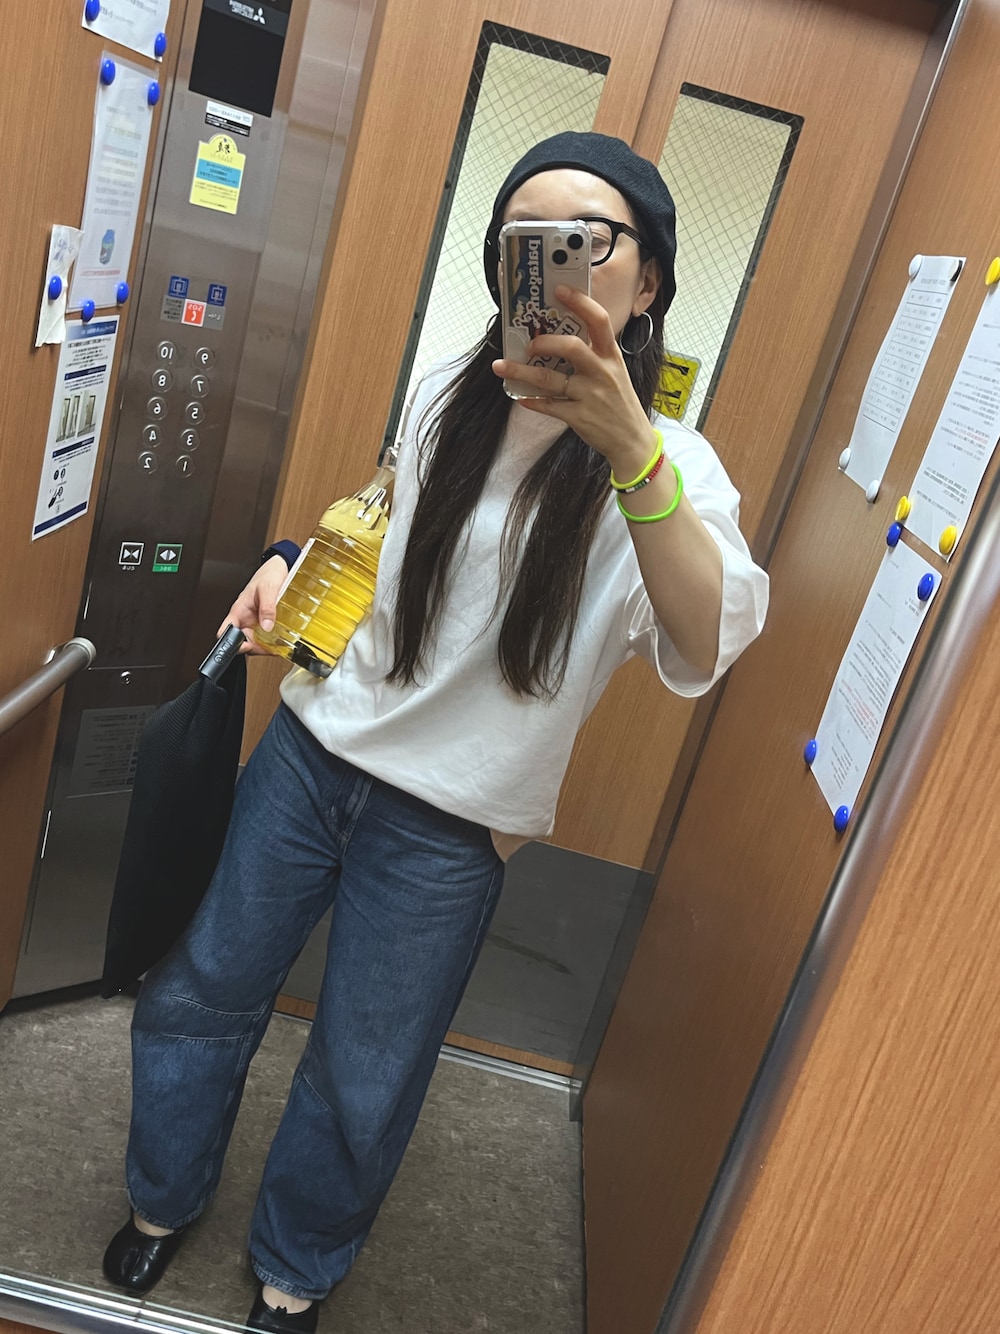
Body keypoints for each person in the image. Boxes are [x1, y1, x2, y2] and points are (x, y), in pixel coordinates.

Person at [102, 132, 769, 1332]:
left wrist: (630, 452)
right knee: (203, 985)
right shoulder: (444, 391)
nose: (551, 263)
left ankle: (294, 1271)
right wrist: (291, 556)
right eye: (525, 239)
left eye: (585, 239)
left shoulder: (675, 470)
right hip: (311, 754)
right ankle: (163, 1198)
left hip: (449, 827)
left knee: (365, 1066)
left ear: (647, 283)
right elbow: (386, 515)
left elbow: (706, 637)